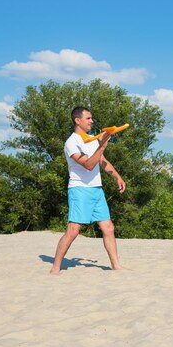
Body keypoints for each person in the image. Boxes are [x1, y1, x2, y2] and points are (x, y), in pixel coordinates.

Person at [50, 106, 126, 275]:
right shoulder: (71, 143)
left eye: (92, 118)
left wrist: (117, 177)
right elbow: (89, 165)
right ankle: (55, 268)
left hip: (96, 190)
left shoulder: (92, 139)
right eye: (88, 118)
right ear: (78, 120)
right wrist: (102, 146)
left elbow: (102, 161)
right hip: (80, 190)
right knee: (73, 231)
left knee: (108, 228)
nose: (92, 121)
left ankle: (116, 265)